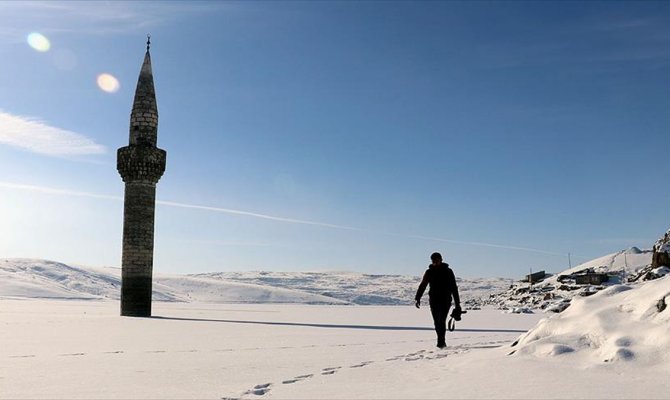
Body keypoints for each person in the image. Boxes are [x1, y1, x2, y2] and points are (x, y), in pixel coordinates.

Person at [415, 252, 461, 349]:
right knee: (436, 322)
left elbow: (454, 288)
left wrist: (458, 305)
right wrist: (418, 298)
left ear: (441, 260)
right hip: (434, 300)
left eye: (436, 261)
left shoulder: (448, 272)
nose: (435, 263)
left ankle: (441, 342)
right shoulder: (429, 272)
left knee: (441, 320)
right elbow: (423, 285)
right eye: (433, 261)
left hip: (445, 300)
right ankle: (441, 341)